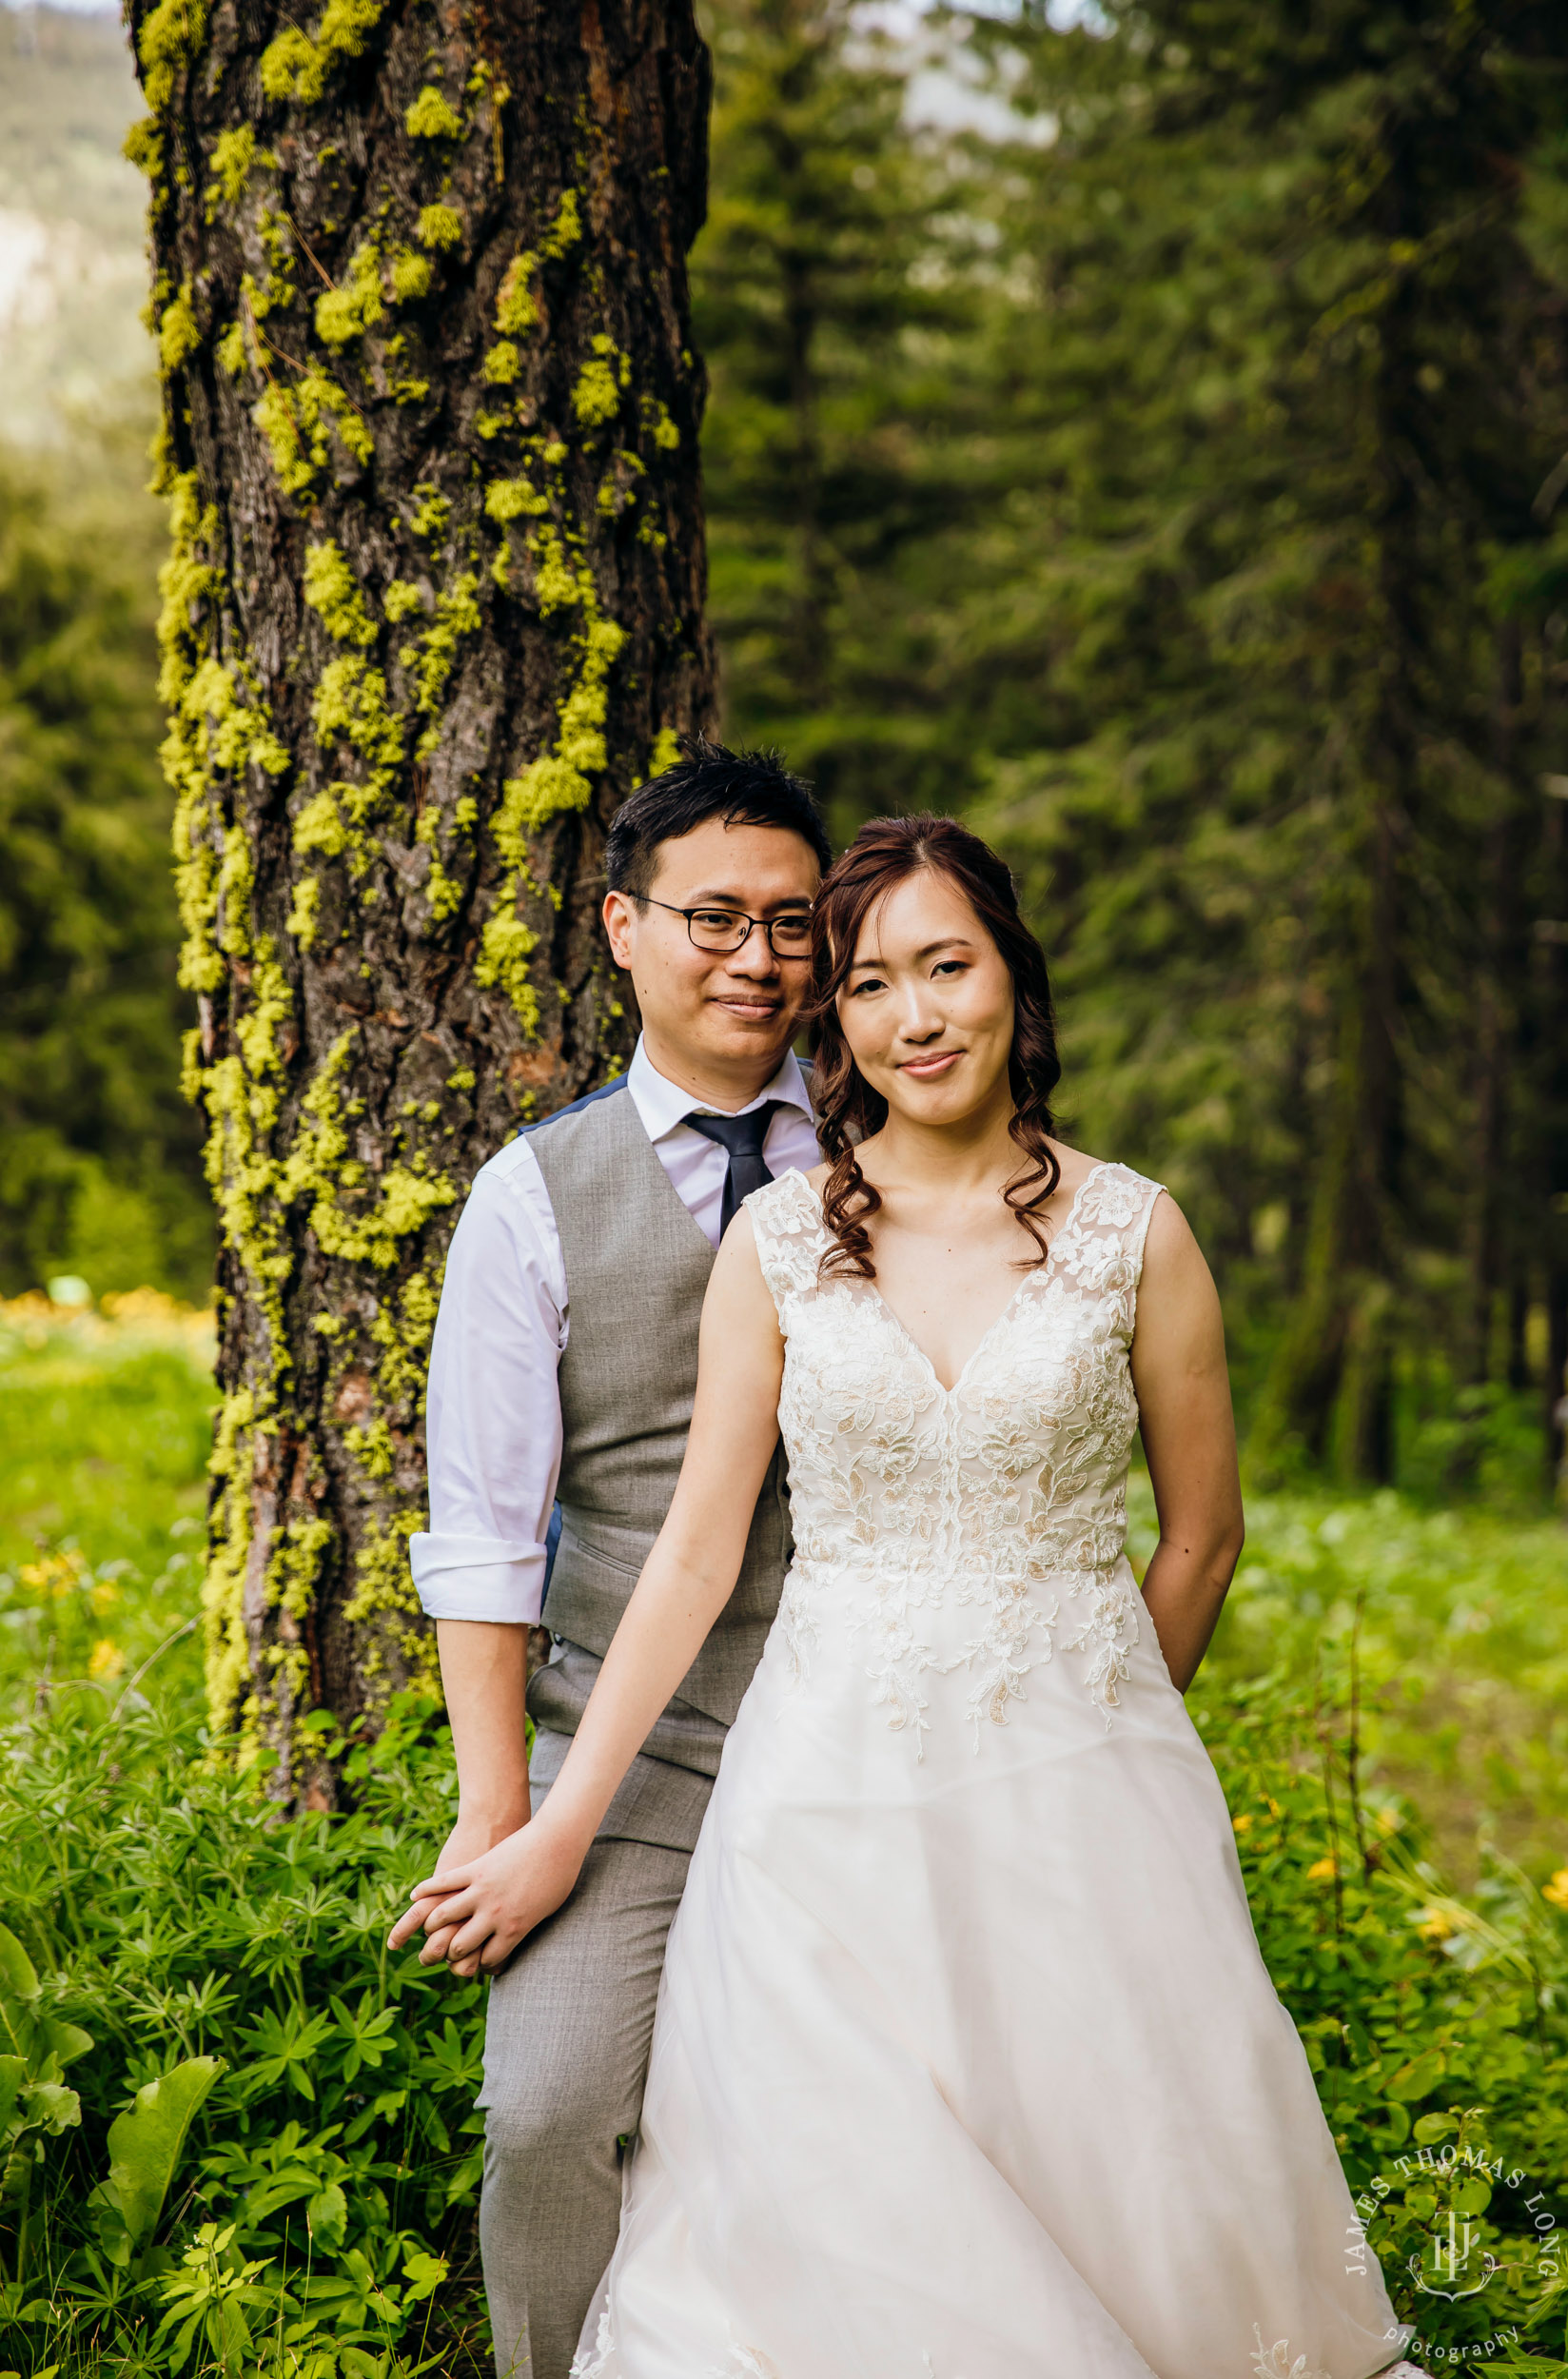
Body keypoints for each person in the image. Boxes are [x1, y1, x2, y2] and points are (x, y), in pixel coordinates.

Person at [396, 815, 1426, 2379]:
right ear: (839, 1019)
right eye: (872, 984)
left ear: (1013, 971)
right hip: (819, 1784)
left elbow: (1201, 1537)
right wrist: (534, 1821)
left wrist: (1094, 1728)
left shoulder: (1136, 1230)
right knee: (827, 2185)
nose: (916, 1015)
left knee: (1104, 2145)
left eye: (948, 966)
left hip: (1081, 1769)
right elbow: (686, 1547)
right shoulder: (784, 1236)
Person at [393, 742, 831, 2379]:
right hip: (621, 1749)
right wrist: (504, 1819)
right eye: (714, 918)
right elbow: (488, 1539)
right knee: (550, 2112)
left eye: (791, 924)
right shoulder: (531, 1195)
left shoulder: (879, 1155)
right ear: (623, 929)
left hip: (851, 1710)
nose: (757, 959)